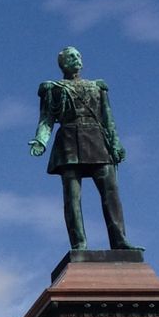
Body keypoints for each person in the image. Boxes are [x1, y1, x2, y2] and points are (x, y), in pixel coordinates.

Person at [30, 47, 134, 252]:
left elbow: (108, 119)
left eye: (78, 56)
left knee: (111, 192)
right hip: (69, 140)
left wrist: (115, 143)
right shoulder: (54, 89)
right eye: (71, 56)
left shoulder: (97, 87)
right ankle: (79, 243)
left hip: (97, 139)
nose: (76, 59)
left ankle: (119, 240)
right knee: (72, 197)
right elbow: (46, 119)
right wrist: (41, 140)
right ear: (63, 63)